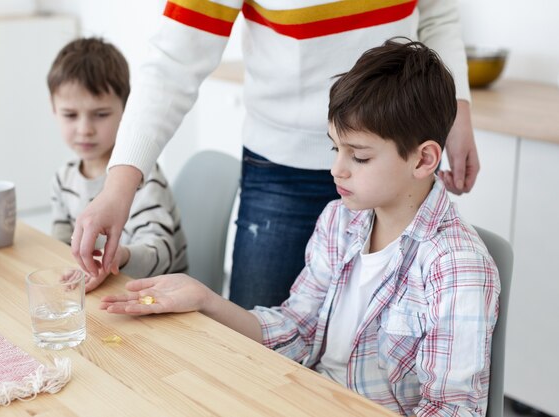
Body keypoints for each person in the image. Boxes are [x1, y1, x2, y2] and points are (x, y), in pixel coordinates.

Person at [100, 39, 500, 416]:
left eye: (358, 156)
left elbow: (452, 408)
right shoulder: (339, 221)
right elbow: (299, 331)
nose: (336, 169)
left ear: (424, 159)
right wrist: (206, 300)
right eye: (334, 148)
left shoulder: (456, 267)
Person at [72, 0, 480, 309]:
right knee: (263, 346)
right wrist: (118, 187)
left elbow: (438, 15)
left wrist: (457, 111)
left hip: (397, 166)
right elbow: (172, 62)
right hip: (282, 171)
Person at [47, 37, 188, 292]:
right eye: (70, 115)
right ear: (53, 109)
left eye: (100, 115)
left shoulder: (142, 178)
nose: (84, 129)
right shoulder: (63, 179)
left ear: (127, 110)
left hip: (154, 297)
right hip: (103, 293)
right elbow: (59, 244)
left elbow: (162, 251)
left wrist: (120, 257)